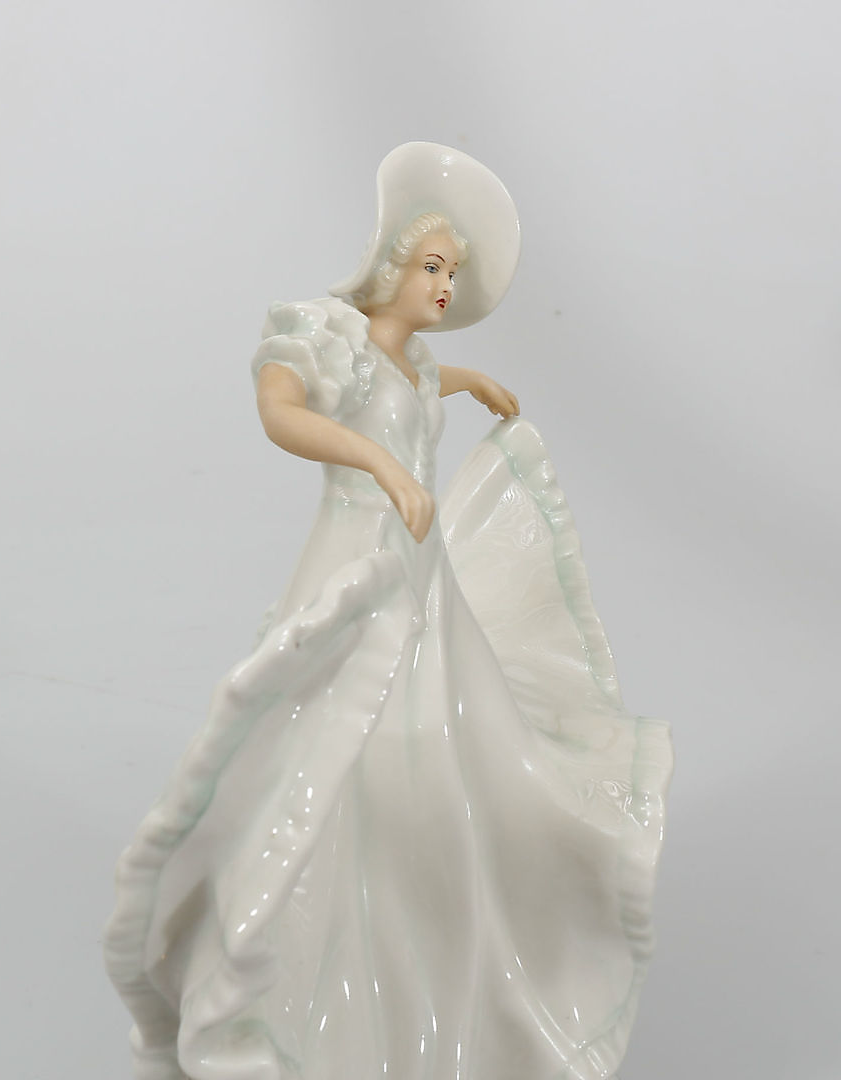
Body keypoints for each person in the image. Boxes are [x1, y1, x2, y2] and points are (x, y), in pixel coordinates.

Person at [104, 143, 672, 1080]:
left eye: (453, 275)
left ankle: (428, 948)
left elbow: (413, 386)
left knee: (445, 752)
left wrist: (469, 382)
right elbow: (282, 411)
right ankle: (291, 980)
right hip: (356, 564)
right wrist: (377, 463)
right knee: (324, 747)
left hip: (420, 578)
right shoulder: (328, 336)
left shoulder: (415, 368)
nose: (445, 286)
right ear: (390, 267)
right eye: (432, 267)